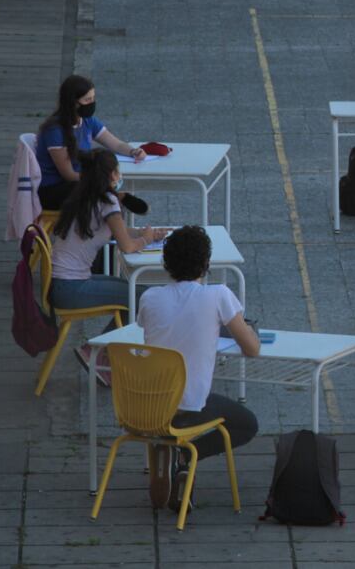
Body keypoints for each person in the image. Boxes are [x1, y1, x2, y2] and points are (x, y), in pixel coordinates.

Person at [139, 225, 260, 514]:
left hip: (146, 406)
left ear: (165, 263)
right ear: (206, 264)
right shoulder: (218, 295)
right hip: (188, 406)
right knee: (246, 424)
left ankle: (169, 455)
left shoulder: (149, 297)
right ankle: (185, 457)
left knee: (183, 399)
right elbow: (252, 349)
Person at [49, 150, 166, 381]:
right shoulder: (108, 201)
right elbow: (127, 247)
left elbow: (115, 231)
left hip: (62, 283)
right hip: (72, 288)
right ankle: (97, 354)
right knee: (144, 297)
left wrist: (143, 233)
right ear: (112, 174)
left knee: (131, 293)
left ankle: (102, 354)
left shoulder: (84, 196)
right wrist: (147, 239)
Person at [35, 75, 149, 210]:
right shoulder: (55, 131)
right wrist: (99, 179)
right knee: (102, 199)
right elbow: (68, 175)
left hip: (79, 184)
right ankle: (118, 200)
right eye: (87, 99)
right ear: (73, 102)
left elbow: (115, 143)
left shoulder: (87, 121)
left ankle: (116, 202)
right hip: (54, 190)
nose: (92, 103)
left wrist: (133, 151)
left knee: (103, 197)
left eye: (93, 98)